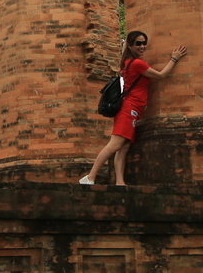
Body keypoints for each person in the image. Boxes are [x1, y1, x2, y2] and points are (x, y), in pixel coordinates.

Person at [79, 31, 187, 187]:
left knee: (123, 147)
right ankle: (90, 176)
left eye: (144, 43)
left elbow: (127, 54)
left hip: (132, 108)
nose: (142, 46)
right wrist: (174, 58)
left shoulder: (127, 62)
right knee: (115, 144)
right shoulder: (137, 64)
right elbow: (161, 75)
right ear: (130, 45)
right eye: (138, 43)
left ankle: (120, 181)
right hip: (129, 108)